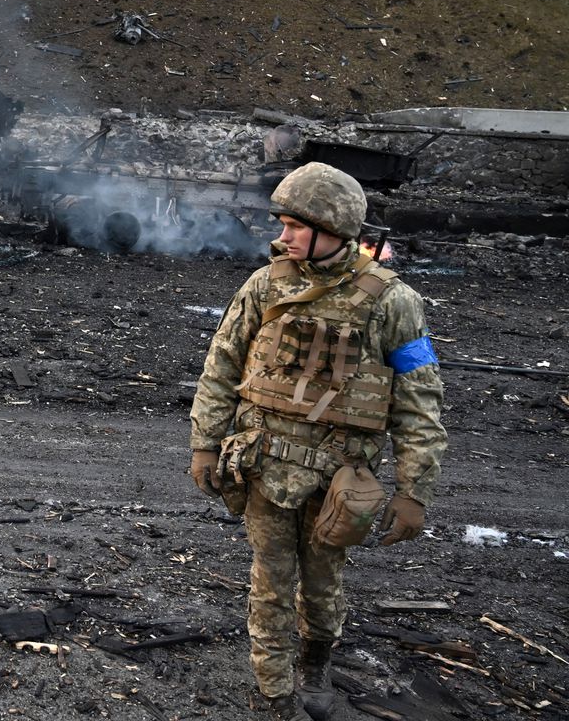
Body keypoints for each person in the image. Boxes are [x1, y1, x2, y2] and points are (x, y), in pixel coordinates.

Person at [188, 162, 446, 721]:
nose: (281, 237)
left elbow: (419, 400)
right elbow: (222, 364)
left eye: (293, 226)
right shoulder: (265, 285)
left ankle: (315, 662)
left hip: (341, 476)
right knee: (271, 581)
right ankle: (275, 692)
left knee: (324, 580)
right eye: (281, 224)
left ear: (334, 229)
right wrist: (205, 442)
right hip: (264, 463)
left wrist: (413, 490)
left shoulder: (393, 302)